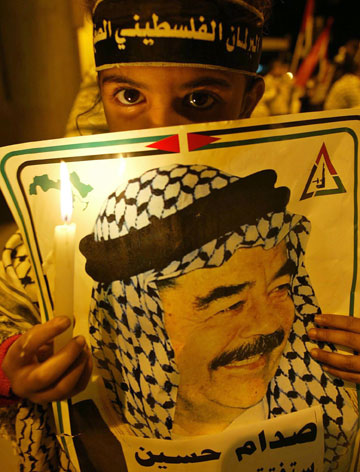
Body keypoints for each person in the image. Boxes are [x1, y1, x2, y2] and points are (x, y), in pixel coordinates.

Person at [0, 0, 359, 470]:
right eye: (129, 97)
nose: (161, 129)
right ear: (102, 92)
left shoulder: (333, 224)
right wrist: (18, 372)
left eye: (198, 100)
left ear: (249, 97)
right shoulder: (44, 242)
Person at [79, 164, 357, 470]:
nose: (269, 324)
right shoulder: (90, 440)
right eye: (230, 305)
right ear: (138, 321)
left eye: (279, 289)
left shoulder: (340, 420)